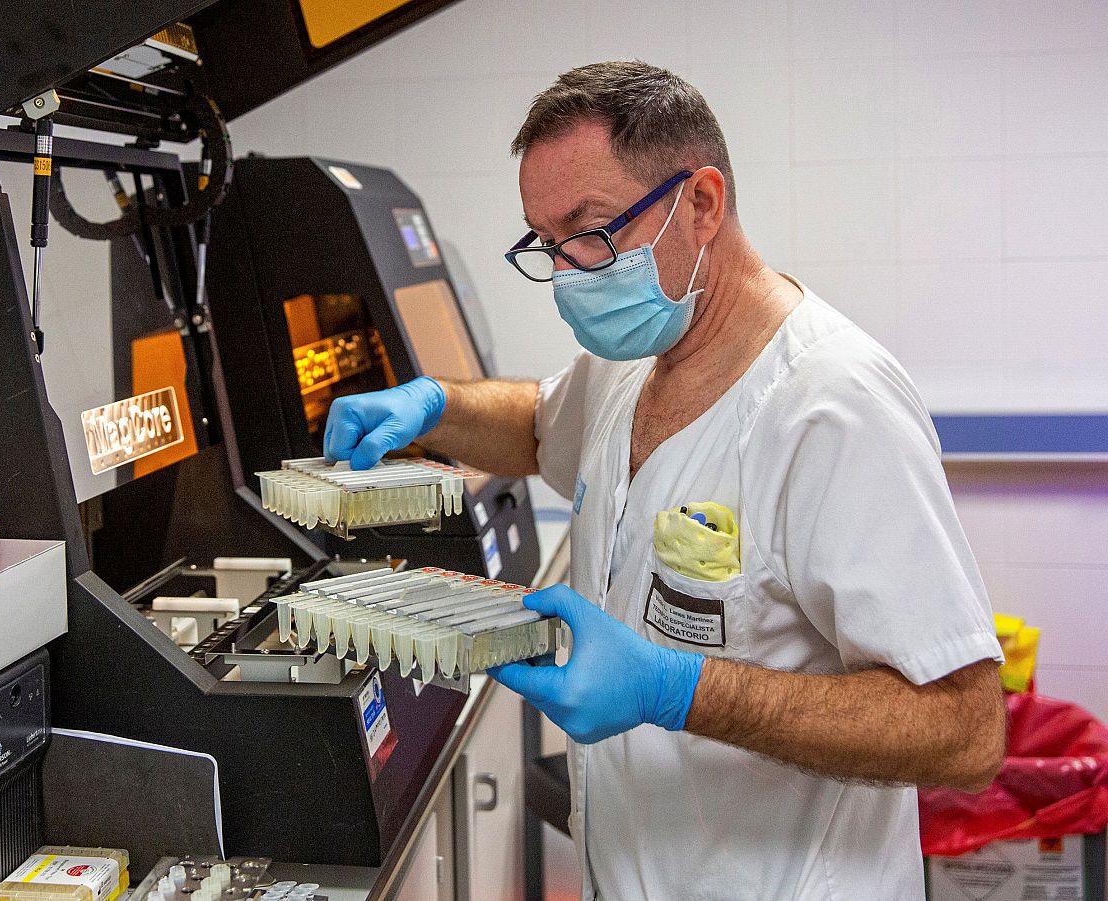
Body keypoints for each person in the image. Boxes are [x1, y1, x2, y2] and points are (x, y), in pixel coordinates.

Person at [323, 61, 1005, 900]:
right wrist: (434, 405)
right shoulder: (634, 360)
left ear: (704, 203)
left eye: (593, 230)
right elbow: (540, 424)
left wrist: (676, 689)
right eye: (546, 242)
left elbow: (965, 728)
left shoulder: (833, 407)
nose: (570, 273)